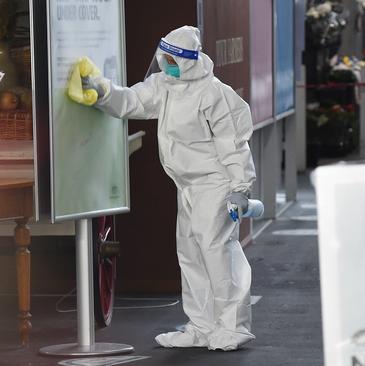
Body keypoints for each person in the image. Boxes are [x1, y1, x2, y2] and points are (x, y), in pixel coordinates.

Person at [70, 25, 256, 351]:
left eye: (170, 59)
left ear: (186, 60)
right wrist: (101, 90)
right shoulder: (165, 85)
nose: (164, 63)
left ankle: (232, 327)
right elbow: (131, 101)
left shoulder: (212, 93)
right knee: (190, 254)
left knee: (216, 254)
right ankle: (200, 327)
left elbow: (234, 143)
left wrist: (240, 187)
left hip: (215, 183)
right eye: (163, 57)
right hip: (186, 185)